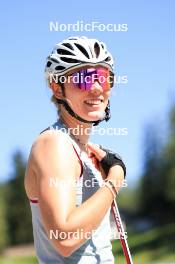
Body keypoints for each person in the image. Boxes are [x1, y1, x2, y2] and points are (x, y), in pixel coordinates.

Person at [24, 36, 126, 263]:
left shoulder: (82, 151)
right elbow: (65, 239)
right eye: (84, 79)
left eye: (103, 78)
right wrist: (115, 180)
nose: (97, 88)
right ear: (57, 88)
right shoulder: (54, 144)